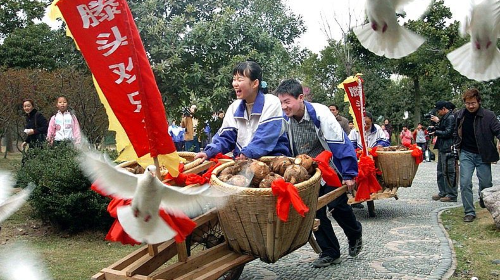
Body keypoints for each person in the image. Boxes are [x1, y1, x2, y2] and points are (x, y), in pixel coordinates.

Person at [276, 79, 362, 268]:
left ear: (300, 97)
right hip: (305, 172)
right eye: (281, 102)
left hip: (329, 167)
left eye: (287, 101)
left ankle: (355, 232)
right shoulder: (284, 118)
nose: (284, 107)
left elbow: (340, 143)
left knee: (337, 205)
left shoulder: (321, 113)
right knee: (313, 211)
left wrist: (348, 173)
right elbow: (281, 144)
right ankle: (330, 251)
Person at [194, 61, 289, 161]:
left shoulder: (271, 102)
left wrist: (248, 152)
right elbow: (225, 137)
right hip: (244, 161)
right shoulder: (234, 107)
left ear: (255, 83)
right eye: (234, 79)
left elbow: (265, 137)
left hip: (273, 161)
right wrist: (208, 152)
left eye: (239, 80)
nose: (234, 84)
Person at [453, 88, 500, 222]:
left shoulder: (489, 116)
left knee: (486, 183)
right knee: (465, 182)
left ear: (478, 101)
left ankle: (483, 198)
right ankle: (469, 212)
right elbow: (456, 131)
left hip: (483, 154)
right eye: (468, 103)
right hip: (466, 154)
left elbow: (498, 130)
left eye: (473, 103)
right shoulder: (460, 114)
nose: (470, 106)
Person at [429, 101, 457, 202]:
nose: (438, 113)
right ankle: (443, 192)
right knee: (440, 171)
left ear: (444, 109)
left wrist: (436, 131)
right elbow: (443, 129)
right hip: (442, 147)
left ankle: (452, 194)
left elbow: (449, 132)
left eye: (439, 110)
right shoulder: (445, 118)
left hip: (448, 147)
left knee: (449, 171)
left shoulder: (450, 118)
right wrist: (436, 126)